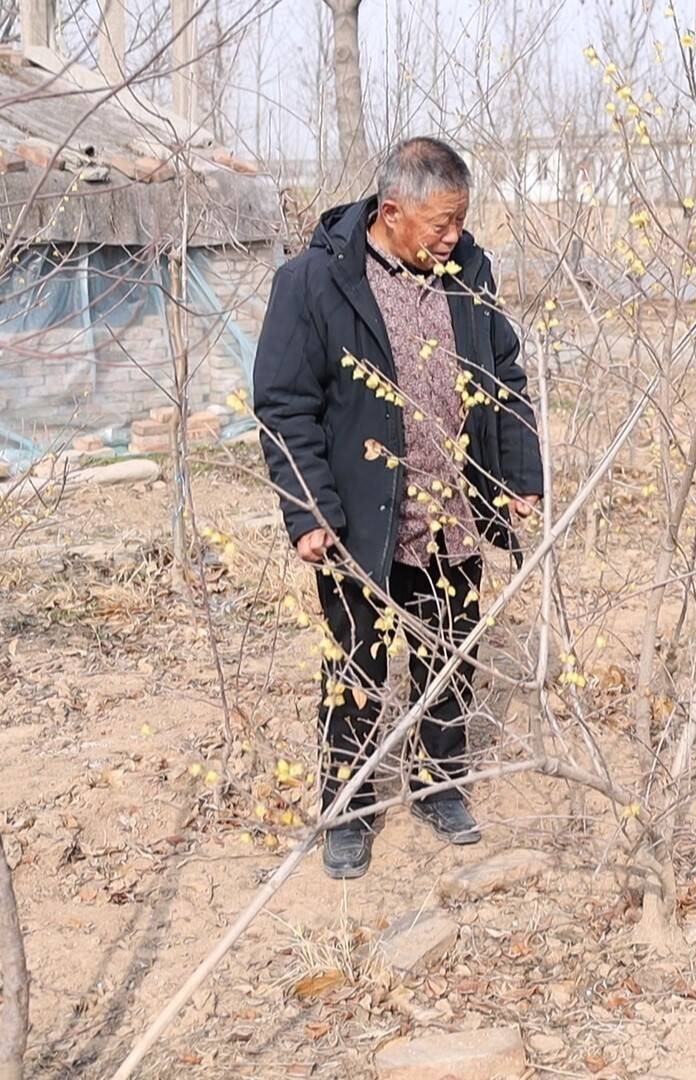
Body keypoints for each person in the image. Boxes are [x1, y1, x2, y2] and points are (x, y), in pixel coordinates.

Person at [253, 137, 543, 880]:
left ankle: (439, 786)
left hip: (454, 515)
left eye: (460, 221)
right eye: (441, 224)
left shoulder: (468, 272)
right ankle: (348, 807)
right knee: (356, 666)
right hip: (361, 520)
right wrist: (308, 511)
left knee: (451, 656)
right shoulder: (314, 282)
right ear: (390, 212)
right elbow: (284, 405)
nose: (454, 237)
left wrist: (518, 474)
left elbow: (504, 378)